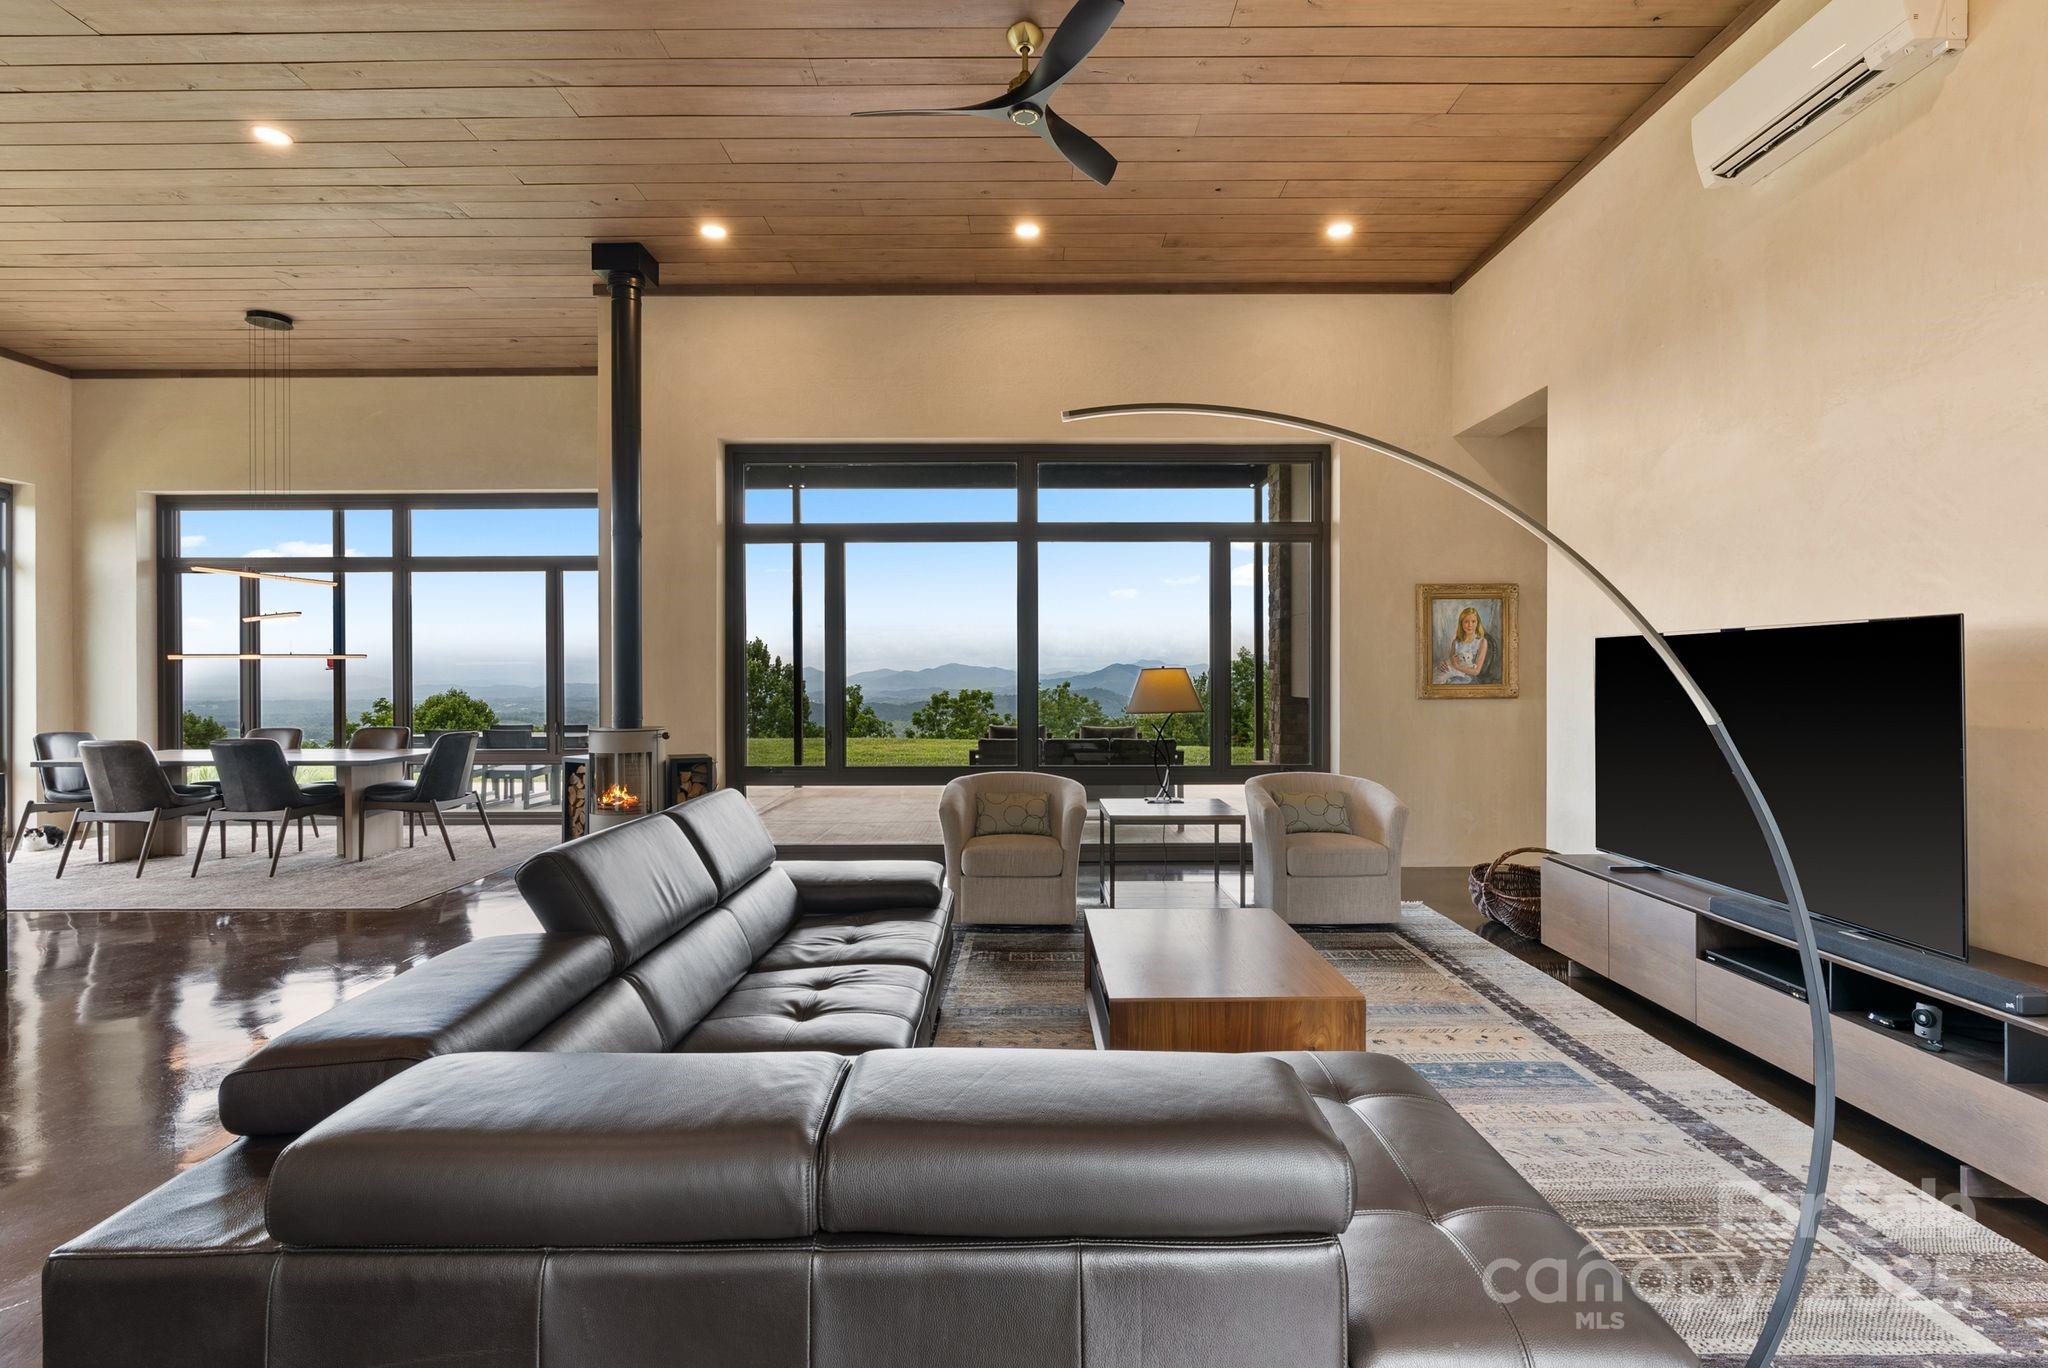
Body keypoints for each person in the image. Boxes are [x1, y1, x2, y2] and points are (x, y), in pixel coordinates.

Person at [1435, 605, 1491, 685]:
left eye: (1473, 621)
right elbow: (1451, 660)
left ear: (1477, 623)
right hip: (1452, 673)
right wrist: (1442, 664)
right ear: (1461, 623)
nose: (1470, 625)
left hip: (1467, 677)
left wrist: (1457, 666)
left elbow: (1476, 671)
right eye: (1466, 621)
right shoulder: (1456, 642)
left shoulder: (1482, 642)